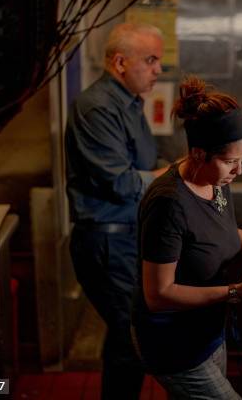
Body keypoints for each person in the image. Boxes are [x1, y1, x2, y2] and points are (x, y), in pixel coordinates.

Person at [132, 76, 242, 399]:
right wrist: (235, 293)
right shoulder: (168, 203)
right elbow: (159, 294)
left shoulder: (216, 182)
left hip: (209, 330)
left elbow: (216, 235)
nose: (239, 171)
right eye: (230, 161)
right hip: (173, 343)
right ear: (198, 154)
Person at [65, 23, 166, 399]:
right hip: (106, 243)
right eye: (151, 60)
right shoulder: (97, 107)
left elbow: (145, 166)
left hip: (127, 238)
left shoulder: (130, 104)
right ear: (120, 62)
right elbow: (120, 183)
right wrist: (172, 175)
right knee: (131, 336)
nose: (158, 70)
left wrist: (167, 172)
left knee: (129, 336)